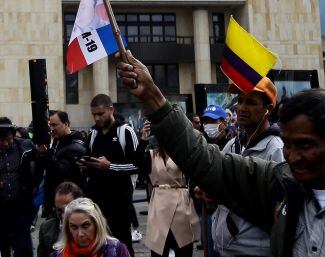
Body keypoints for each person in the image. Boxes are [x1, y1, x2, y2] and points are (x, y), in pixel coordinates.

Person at [118, 51, 325, 256]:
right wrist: (152, 96)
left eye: (305, 145)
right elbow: (205, 159)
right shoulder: (278, 187)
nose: (292, 156)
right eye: (289, 145)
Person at [203, 77, 282, 257]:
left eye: (251, 102)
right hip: (223, 248)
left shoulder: (275, 148)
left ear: (268, 109)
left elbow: (277, 205)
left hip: (255, 250)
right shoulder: (232, 145)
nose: (242, 108)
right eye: (240, 101)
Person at [80, 95, 138, 257]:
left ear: (111, 109)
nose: (97, 118)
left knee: (122, 244)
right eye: (94, 115)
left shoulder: (125, 131)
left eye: (100, 114)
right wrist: (85, 165)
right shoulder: (93, 134)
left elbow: (138, 165)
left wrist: (109, 166)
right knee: (97, 244)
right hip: (96, 200)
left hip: (119, 201)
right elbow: (89, 158)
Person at [0, 118, 37, 257]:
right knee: (1, 247)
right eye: (1, 140)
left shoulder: (26, 147)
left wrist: (34, 185)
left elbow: (38, 166)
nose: (5, 144)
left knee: (23, 248)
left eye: (9, 139)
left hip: (21, 206)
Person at [137, 122, 198, 257]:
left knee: (183, 247)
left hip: (181, 205)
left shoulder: (184, 154)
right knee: (159, 249)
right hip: (159, 206)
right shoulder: (151, 155)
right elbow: (136, 163)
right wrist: (143, 140)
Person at [35, 111, 86, 220]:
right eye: (49, 125)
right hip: (54, 200)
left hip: (68, 203)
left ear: (66, 124)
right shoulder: (56, 141)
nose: (51, 129)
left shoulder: (75, 146)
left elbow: (60, 171)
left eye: (54, 125)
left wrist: (47, 153)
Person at [56, 198, 131, 257]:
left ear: (96, 224)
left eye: (85, 226)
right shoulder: (58, 254)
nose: (80, 234)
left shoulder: (117, 250)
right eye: (74, 227)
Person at [37, 183, 84, 257]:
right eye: (59, 210)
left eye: (67, 210)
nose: (63, 215)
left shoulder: (94, 226)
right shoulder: (46, 228)